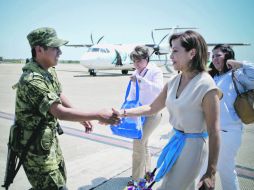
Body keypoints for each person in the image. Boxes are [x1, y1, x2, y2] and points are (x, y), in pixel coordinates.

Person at [12, 27, 119, 190]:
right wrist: (98, 114)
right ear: (39, 49)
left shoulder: (48, 71)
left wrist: (82, 117)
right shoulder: (32, 80)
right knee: (56, 187)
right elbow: (59, 112)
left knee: (59, 179)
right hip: (34, 149)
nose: (60, 52)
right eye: (55, 48)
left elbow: (58, 95)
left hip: (46, 142)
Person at [113, 30, 222, 190]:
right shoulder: (173, 81)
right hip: (175, 142)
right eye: (171, 51)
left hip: (193, 148)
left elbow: (214, 131)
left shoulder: (206, 85)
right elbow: (152, 107)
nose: (170, 56)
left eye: (175, 51)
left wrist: (211, 172)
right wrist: (122, 112)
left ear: (192, 53)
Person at [207, 44, 254, 190]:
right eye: (213, 56)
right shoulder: (212, 77)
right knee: (203, 171)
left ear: (228, 56)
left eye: (218, 55)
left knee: (226, 171)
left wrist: (239, 64)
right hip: (208, 132)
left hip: (228, 131)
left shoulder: (236, 74)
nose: (214, 59)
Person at [127, 46, 163, 185]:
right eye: (134, 61)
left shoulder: (155, 71)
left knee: (138, 144)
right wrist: (127, 109)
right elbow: (132, 94)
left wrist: (142, 81)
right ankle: (147, 174)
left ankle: (136, 180)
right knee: (144, 144)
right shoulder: (136, 72)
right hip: (140, 114)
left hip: (153, 113)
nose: (136, 63)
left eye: (139, 60)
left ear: (146, 59)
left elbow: (160, 89)